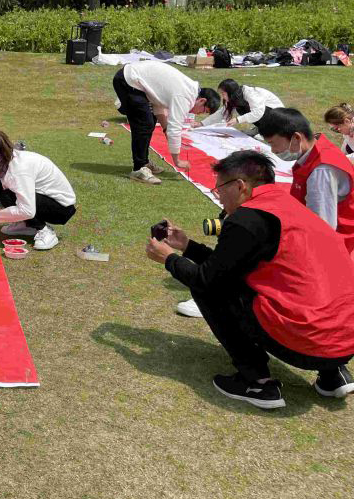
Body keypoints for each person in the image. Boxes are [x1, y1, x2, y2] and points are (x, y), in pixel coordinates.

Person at [145, 151, 354, 409]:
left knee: (208, 289)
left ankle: (257, 382)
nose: (217, 196)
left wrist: (168, 259)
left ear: (240, 186)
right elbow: (226, 264)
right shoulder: (290, 208)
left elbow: (209, 279)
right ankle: (333, 374)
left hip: (307, 340)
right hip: (344, 340)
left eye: (219, 188)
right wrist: (188, 247)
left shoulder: (247, 219)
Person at [257, 108, 354, 254]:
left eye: (273, 144)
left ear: (296, 138)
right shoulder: (317, 148)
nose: (273, 151)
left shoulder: (321, 171)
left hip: (335, 248)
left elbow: (321, 229)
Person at [112, 60, 220, 184]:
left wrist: (165, 130)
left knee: (150, 121)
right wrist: (177, 160)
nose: (198, 114)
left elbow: (158, 104)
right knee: (144, 124)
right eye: (203, 110)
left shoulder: (188, 90)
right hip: (128, 81)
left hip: (134, 81)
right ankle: (139, 168)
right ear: (201, 100)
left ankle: (144, 162)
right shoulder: (185, 96)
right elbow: (175, 127)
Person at [0, 129, 77, 250]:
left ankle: (44, 231)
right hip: (44, 198)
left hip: (61, 209)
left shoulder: (19, 170)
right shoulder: (7, 160)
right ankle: (26, 225)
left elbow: (27, 210)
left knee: (21, 205)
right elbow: (8, 187)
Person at [199, 79, 283, 134]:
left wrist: (238, 119)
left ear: (230, 92)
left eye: (223, 94)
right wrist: (201, 123)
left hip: (277, 115)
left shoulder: (250, 94)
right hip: (264, 114)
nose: (222, 96)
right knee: (242, 110)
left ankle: (269, 131)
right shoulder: (235, 97)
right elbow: (222, 113)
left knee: (249, 111)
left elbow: (258, 112)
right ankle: (261, 129)